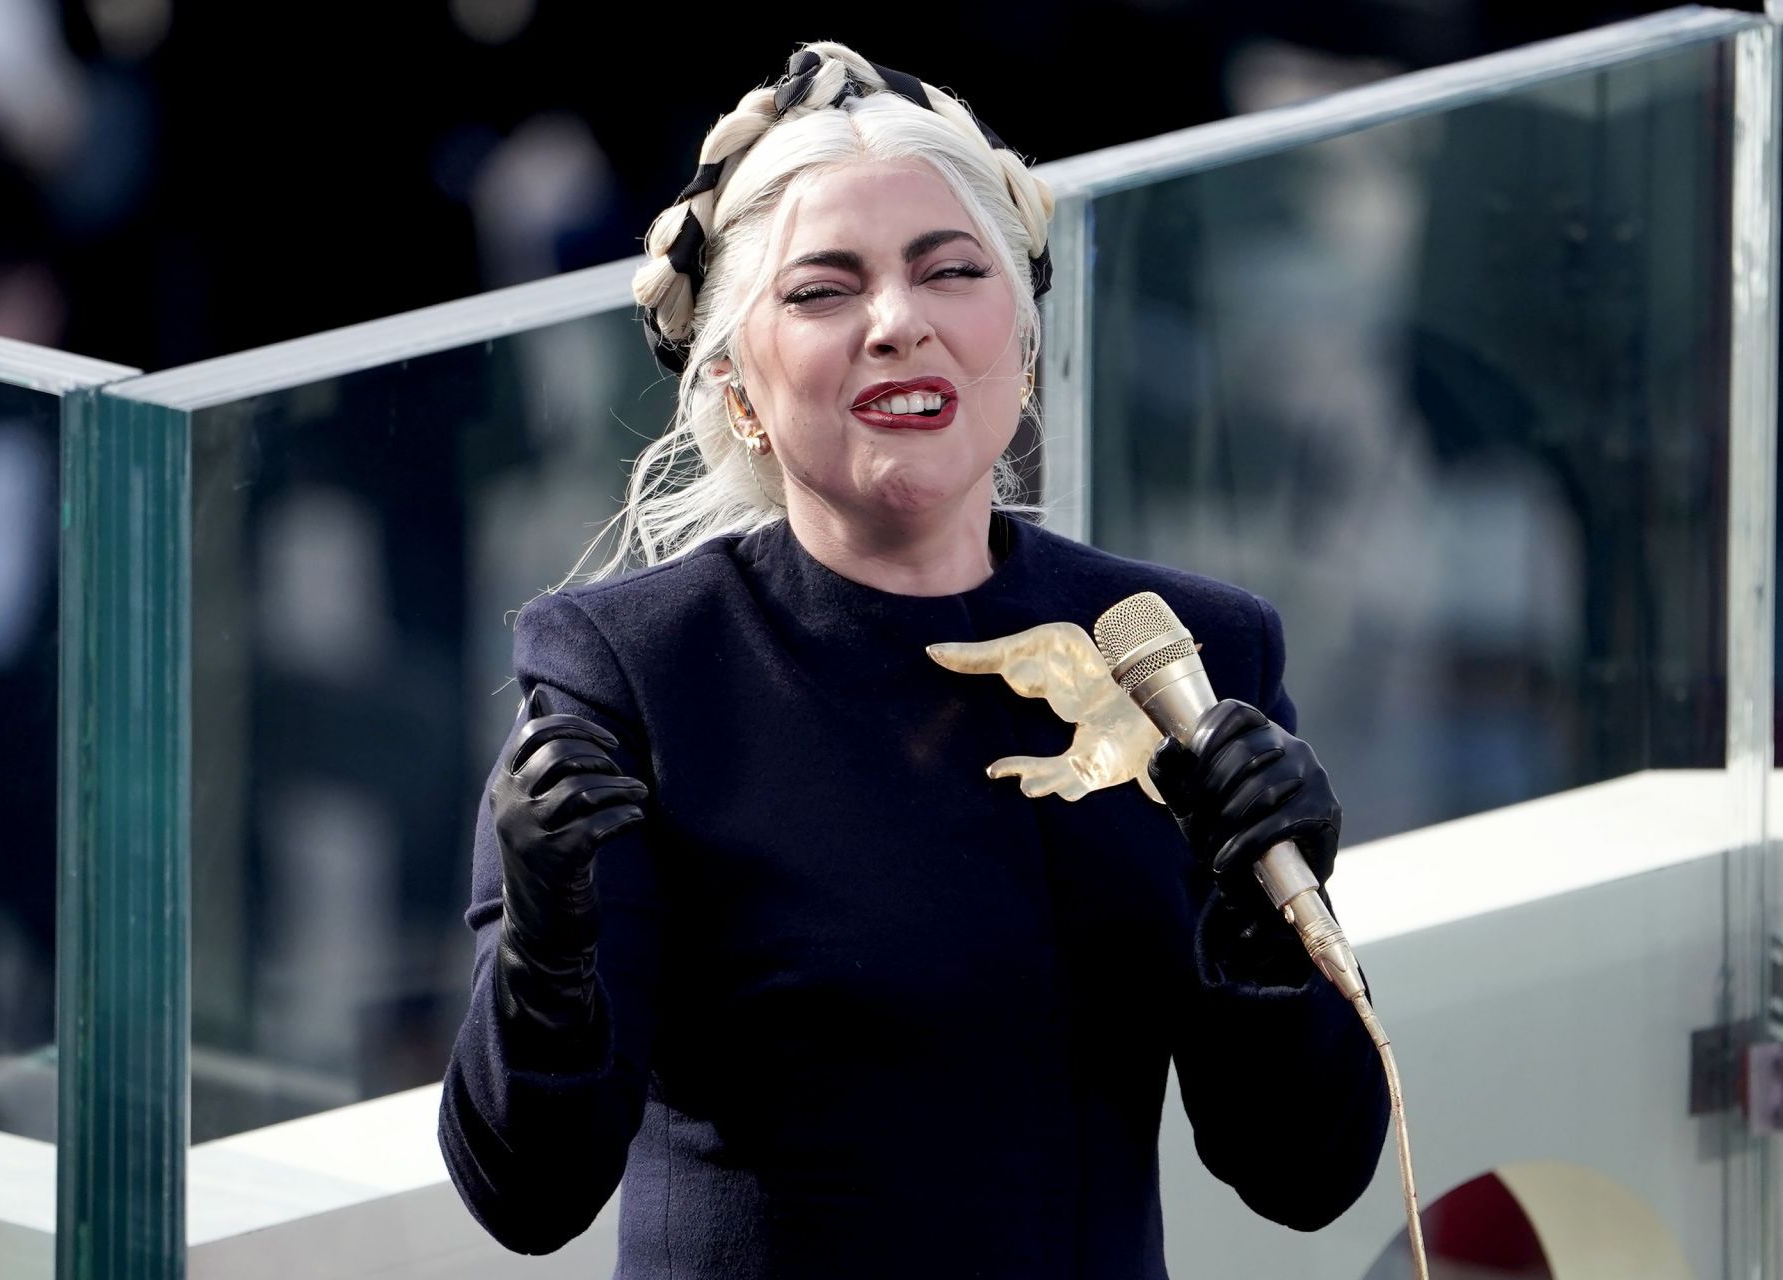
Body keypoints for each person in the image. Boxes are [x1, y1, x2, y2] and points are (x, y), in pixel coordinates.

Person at [438, 41, 1388, 1277]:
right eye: (825, 291)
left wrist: (1272, 948)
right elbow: (529, 1189)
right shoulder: (629, 671)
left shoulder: (1192, 656)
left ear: (1026, 340)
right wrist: (543, 945)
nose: (900, 324)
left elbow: (1306, 1175)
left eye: (951, 272)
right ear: (737, 392)